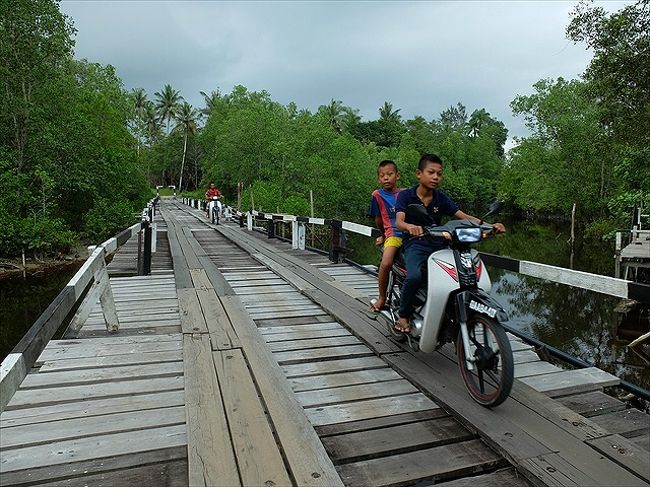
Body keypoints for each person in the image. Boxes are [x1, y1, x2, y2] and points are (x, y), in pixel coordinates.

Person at [394, 154, 505, 333]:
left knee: (457, 276)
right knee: (414, 276)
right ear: (418, 173)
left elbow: (464, 217)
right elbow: (399, 221)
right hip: (416, 244)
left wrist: (489, 226)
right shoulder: (406, 196)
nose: (436, 177)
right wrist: (410, 227)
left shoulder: (441, 198)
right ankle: (404, 316)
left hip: (439, 244)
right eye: (431, 172)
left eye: (439, 173)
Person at [368, 160, 403, 312]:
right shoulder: (377, 195)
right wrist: (384, 236)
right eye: (382, 176)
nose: (386, 178)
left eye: (390, 174)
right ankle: (382, 298)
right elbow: (378, 220)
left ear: (398, 175)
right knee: (386, 263)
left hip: (409, 233)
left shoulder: (405, 194)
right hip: (393, 233)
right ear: (379, 179)